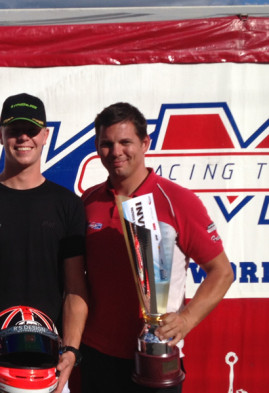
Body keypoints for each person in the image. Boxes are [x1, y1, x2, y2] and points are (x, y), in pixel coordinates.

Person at [80, 102, 234, 393]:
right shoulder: (88, 202)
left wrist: (186, 320)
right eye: (106, 144)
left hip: (156, 356)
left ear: (145, 143)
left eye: (126, 142)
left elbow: (221, 272)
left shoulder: (176, 200)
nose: (116, 152)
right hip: (97, 354)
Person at [0, 93, 89, 393]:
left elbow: (75, 289)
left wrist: (72, 351)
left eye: (32, 129)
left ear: (45, 135)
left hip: (45, 363)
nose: (23, 137)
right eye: (14, 130)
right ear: (1, 135)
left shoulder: (68, 205)